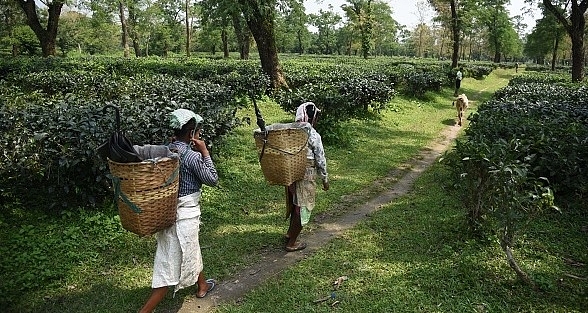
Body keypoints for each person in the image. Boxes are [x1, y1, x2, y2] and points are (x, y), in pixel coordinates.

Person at [139, 108, 218, 313]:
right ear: (192, 133)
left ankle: (202, 285)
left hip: (166, 210)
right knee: (169, 264)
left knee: (192, 249)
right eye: (198, 132)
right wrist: (205, 152)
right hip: (185, 214)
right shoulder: (191, 157)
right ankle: (145, 310)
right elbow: (212, 179)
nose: (200, 135)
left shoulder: (166, 150)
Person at [284, 102, 329, 252]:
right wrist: (325, 179)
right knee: (303, 208)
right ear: (312, 118)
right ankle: (292, 242)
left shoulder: (290, 131)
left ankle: (290, 233)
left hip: (291, 173)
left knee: (295, 203)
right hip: (306, 174)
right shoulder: (313, 134)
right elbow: (320, 159)